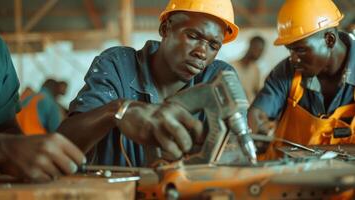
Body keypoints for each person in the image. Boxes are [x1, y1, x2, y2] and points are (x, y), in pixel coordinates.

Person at [58, 0, 247, 167]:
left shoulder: (218, 79)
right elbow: (63, 142)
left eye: (213, 46)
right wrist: (118, 111)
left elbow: (237, 155)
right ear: (165, 29)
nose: (202, 53)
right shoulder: (119, 65)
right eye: (193, 36)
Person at [247, 0, 355, 159]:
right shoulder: (286, 72)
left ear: (329, 40)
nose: (293, 59)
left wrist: (310, 153)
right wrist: (255, 131)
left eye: (300, 50)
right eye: (290, 50)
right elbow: (257, 114)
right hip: (283, 179)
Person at [0, 36, 85, 182]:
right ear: (56, 88)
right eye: (62, 90)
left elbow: (6, 127)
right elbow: (58, 133)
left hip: (24, 154)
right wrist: (3, 149)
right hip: (32, 148)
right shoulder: (48, 103)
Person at [233, 36, 265, 103]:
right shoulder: (232, 66)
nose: (260, 54)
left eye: (261, 51)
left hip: (248, 108)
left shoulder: (256, 69)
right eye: (258, 50)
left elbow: (257, 91)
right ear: (250, 46)